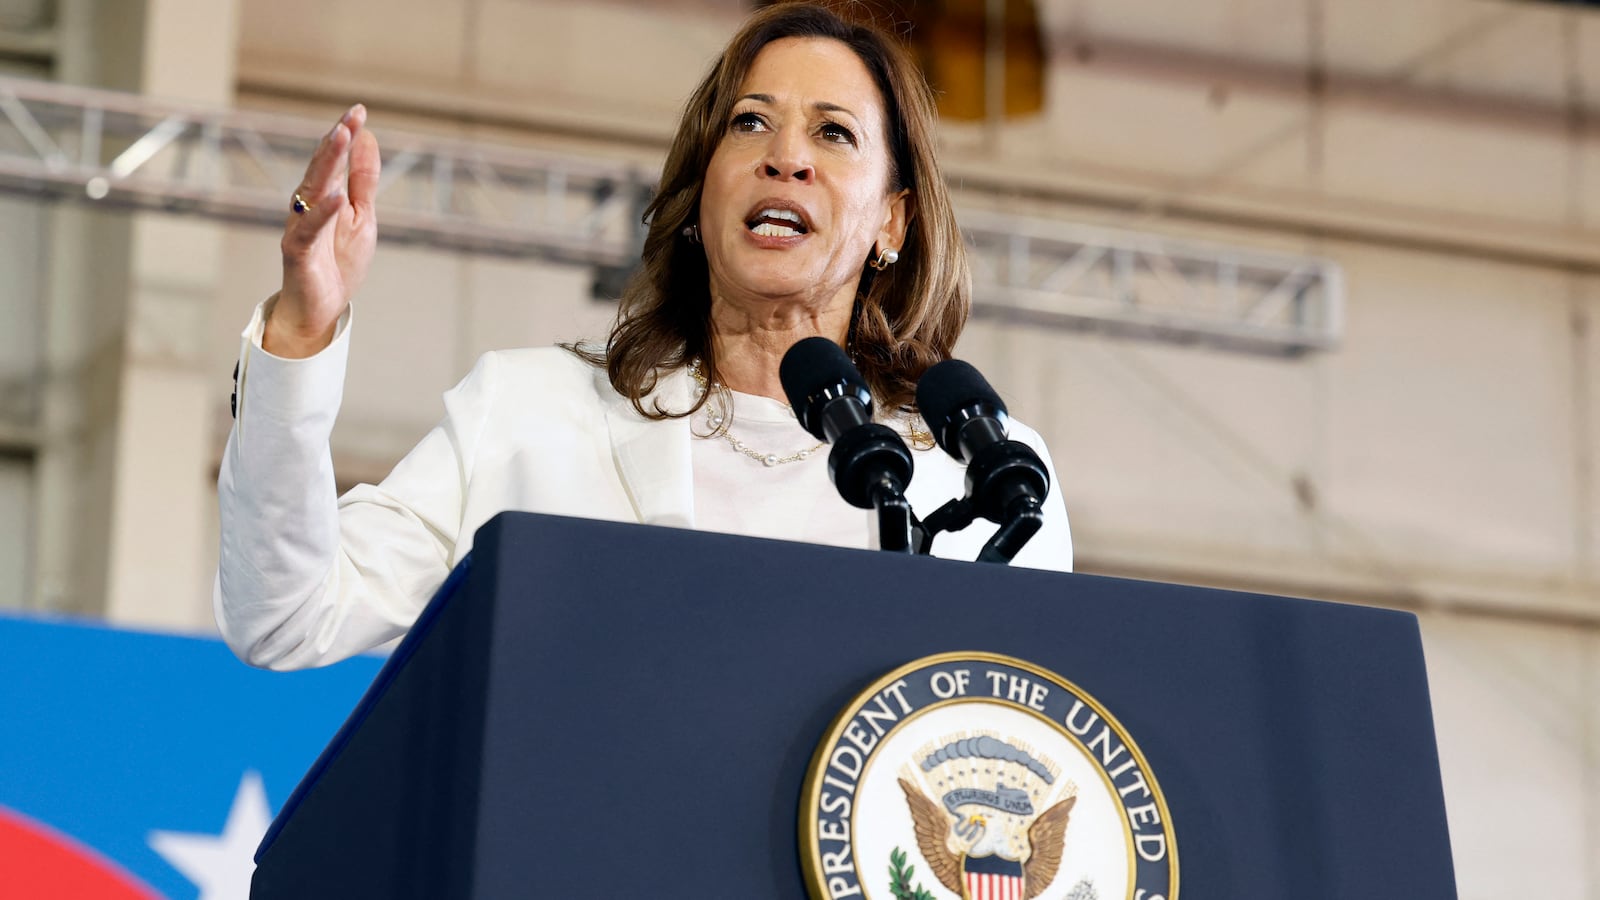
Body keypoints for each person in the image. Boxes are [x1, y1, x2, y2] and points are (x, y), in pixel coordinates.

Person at [215, 1, 1072, 670]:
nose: (786, 158)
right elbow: (286, 616)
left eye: (834, 133)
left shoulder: (986, 475)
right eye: (750, 123)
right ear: (701, 196)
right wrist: (301, 329)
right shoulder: (529, 413)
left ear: (894, 220)